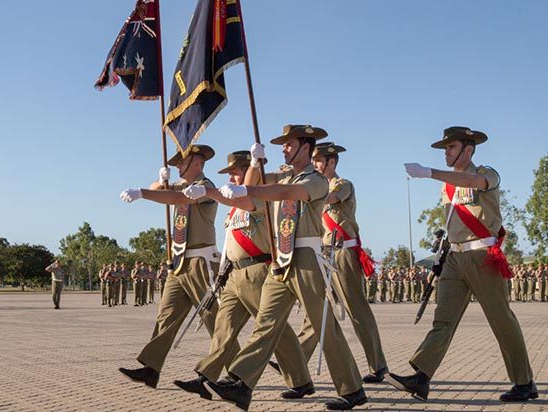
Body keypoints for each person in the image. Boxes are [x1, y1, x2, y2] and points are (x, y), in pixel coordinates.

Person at [210, 126, 366, 410]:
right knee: (266, 323)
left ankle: (353, 389)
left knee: (323, 327)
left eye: (288, 144)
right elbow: (259, 188)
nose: (283, 149)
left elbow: (286, 192)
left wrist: (248, 187)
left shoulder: (316, 180)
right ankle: (241, 383)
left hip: (306, 256)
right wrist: (255, 164)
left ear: (305, 147)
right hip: (281, 257)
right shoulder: (281, 174)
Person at [389, 126, 537, 402]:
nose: (446, 152)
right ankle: (421, 377)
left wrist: (429, 173)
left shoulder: (487, 173)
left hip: (483, 257)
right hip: (455, 258)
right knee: (443, 320)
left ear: (468, 149)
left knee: (501, 320)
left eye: (452, 147)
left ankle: (524, 382)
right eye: (445, 148)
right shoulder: (448, 186)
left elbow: (474, 183)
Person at [174, 150, 312, 402]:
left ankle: (300, 379)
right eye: (231, 173)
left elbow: (249, 192)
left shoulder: (257, 199)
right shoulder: (232, 206)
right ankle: (205, 376)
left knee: (271, 328)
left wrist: (254, 164)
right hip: (234, 274)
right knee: (223, 328)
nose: (233, 178)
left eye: (237, 172)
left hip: (257, 271)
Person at [118, 144, 228, 390]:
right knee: (166, 315)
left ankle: (236, 373)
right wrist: (159, 181)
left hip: (201, 262)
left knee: (213, 319)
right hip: (179, 262)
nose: (178, 166)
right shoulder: (181, 185)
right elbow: (163, 190)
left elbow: (177, 198)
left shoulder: (205, 187)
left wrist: (143, 193)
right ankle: (151, 367)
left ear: (197, 163)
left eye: (182, 162)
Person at [290, 141, 388, 383]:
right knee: (317, 311)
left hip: (342, 252)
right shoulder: (312, 184)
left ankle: (378, 365)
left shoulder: (342, 184)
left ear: (331, 162)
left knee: (357, 310)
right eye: (313, 160)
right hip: (322, 253)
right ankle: (297, 359)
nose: (315, 164)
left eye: (319, 161)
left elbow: (330, 198)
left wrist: (305, 188)